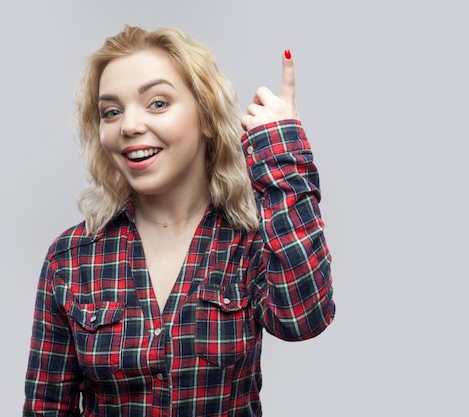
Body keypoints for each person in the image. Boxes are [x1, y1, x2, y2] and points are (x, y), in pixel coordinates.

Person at [22, 25, 335, 417]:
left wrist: (281, 148)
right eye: (112, 112)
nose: (129, 126)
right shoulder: (70, 258)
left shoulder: (251, 243)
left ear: (206, 117)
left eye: (156, 103)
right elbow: (46, 408)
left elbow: (304, 318)